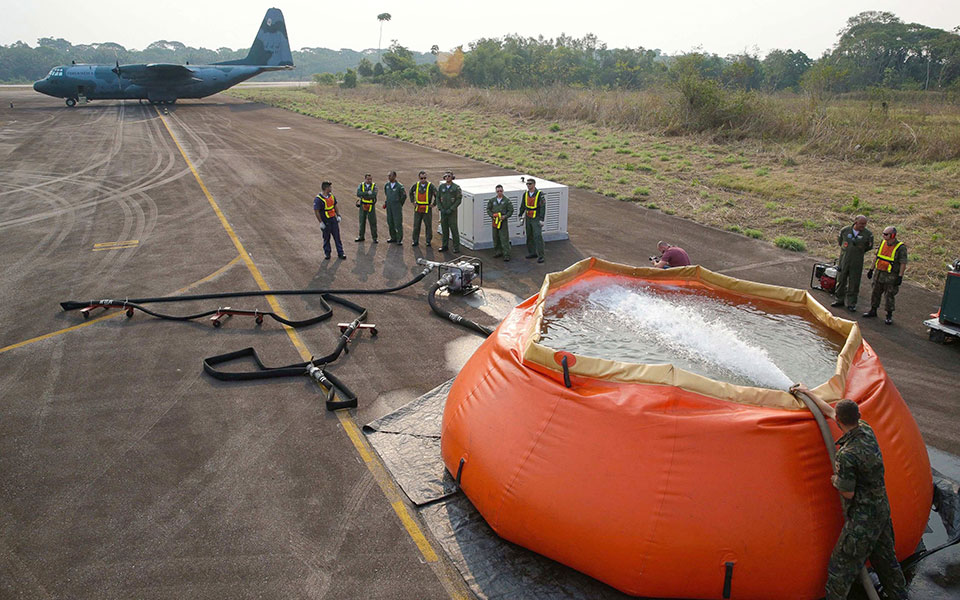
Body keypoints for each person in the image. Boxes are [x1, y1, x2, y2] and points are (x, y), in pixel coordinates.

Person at [790, 384, 908, 600]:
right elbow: (830, 411)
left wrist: (835, 479)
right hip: (881, 510)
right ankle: (900, 595)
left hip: (863, 520)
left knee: (840, 569)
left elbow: (848, 493)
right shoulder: (866, 429)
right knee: (886, 562)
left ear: (839, 422)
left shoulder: (848, 455)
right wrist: (807, 393)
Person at [863, 227, 907, 325]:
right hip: (879, 273)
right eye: (883, 234)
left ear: (893, 235)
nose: (884, 236)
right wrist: (871, 269)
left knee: (889, 295)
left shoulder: (900, 247)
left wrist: (900, 276)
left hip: (891, 275)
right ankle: (873, 310)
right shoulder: (882, 243)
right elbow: (876, 256)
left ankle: (889, 315)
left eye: (886, 234)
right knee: (875, 292)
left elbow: (903, 263)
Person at [831, 215, 874, 313]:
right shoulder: (845, 231)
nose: (863, 226)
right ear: (855, 222)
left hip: (857, 261)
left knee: (854, 283)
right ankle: (839, 299)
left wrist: (857, 250)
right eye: (861, 223)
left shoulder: (868, 234)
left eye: (864, 224)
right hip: (844, 259)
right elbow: (840, 242)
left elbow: (869, 247)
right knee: (841, 280)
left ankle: (851, 303)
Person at [314, 181, 345, 260]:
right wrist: (321, 222)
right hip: (325, 220)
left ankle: (340, 252)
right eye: (329, 187)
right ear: (326, 188)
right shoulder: (318, 199)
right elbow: (316, 211)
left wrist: (338, 215)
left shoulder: (332, 196)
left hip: (333, 220)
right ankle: (327, 253)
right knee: (326, 238)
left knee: (337, 237)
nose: (331, 189)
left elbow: (335, 205)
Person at [521, 178, 546, 263]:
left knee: (537, 236)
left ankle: (541, 255)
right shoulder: (525, 194)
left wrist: (541, 219)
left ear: (534, 184)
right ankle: (532, 252)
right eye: (527, 184)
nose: (528, 185)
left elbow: (543, 207)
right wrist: (520, 215)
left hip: (536, 217)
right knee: (529, 235)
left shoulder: (539, 194)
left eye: (530, 184)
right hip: (528, 217)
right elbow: (523, 205)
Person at [487, 184, 514, 262]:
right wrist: (492, 215)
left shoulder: (506, 201)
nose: (499, 192)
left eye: (501, 191)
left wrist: (505, 216)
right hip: (495, 221)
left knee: (504, 238)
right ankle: (498, 252)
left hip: (503, 221)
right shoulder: (492, 200)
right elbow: (488, 209)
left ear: (503, 191)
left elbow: (511, 210)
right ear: (496, 191)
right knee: (495, 237)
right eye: (498, 191)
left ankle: (506, 254)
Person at [409, 170, 437, 247]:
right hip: (418, 208)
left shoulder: (430, 186)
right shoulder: (416, 185)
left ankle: (428, 241)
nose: (423, 180)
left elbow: (437, 194)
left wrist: (434, 204)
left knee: (428, 225)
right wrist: (413, 201)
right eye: (421, 178)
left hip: (427, 208)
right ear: (419, 178)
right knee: (416, 225)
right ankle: (415, 240)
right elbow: (410, 192)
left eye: (425, 178)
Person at [437, 171, 462, 253]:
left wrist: (451, 209)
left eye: (449, 176)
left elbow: (458, 200)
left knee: (454, 230)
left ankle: (456, 247)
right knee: (444, 229)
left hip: (452, 213)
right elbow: (438, 198)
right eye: (446, 176)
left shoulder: (456, 187)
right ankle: (445, 246)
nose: (447, 177)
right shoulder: (441, 187)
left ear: (452, 177)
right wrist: (441, 208)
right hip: (443, 212)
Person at [383, 170, 406, 244]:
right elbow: (387, 195)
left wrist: (399, 204)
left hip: (396, 207)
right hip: (389, 206)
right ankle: (393, 237)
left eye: (390, 176)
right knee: (390, 222)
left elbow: (404, 196)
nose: (389, 177)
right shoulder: (387, 185)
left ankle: (399, 239)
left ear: (395, 176)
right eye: (388, 176)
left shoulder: (399, 186)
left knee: (398, 223)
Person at [355, 173, 378, 243]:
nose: (369, 180)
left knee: (373, 222)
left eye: (370, 179)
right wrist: (368, 193)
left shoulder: (374, 186)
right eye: (368, 179)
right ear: (365, 179)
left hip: (371, 206)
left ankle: (374, 238)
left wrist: (364, 194)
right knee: (362, 221)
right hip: (363, 205)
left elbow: (374, 195)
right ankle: (361, 236)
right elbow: (358, 193)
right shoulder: (361, 185)